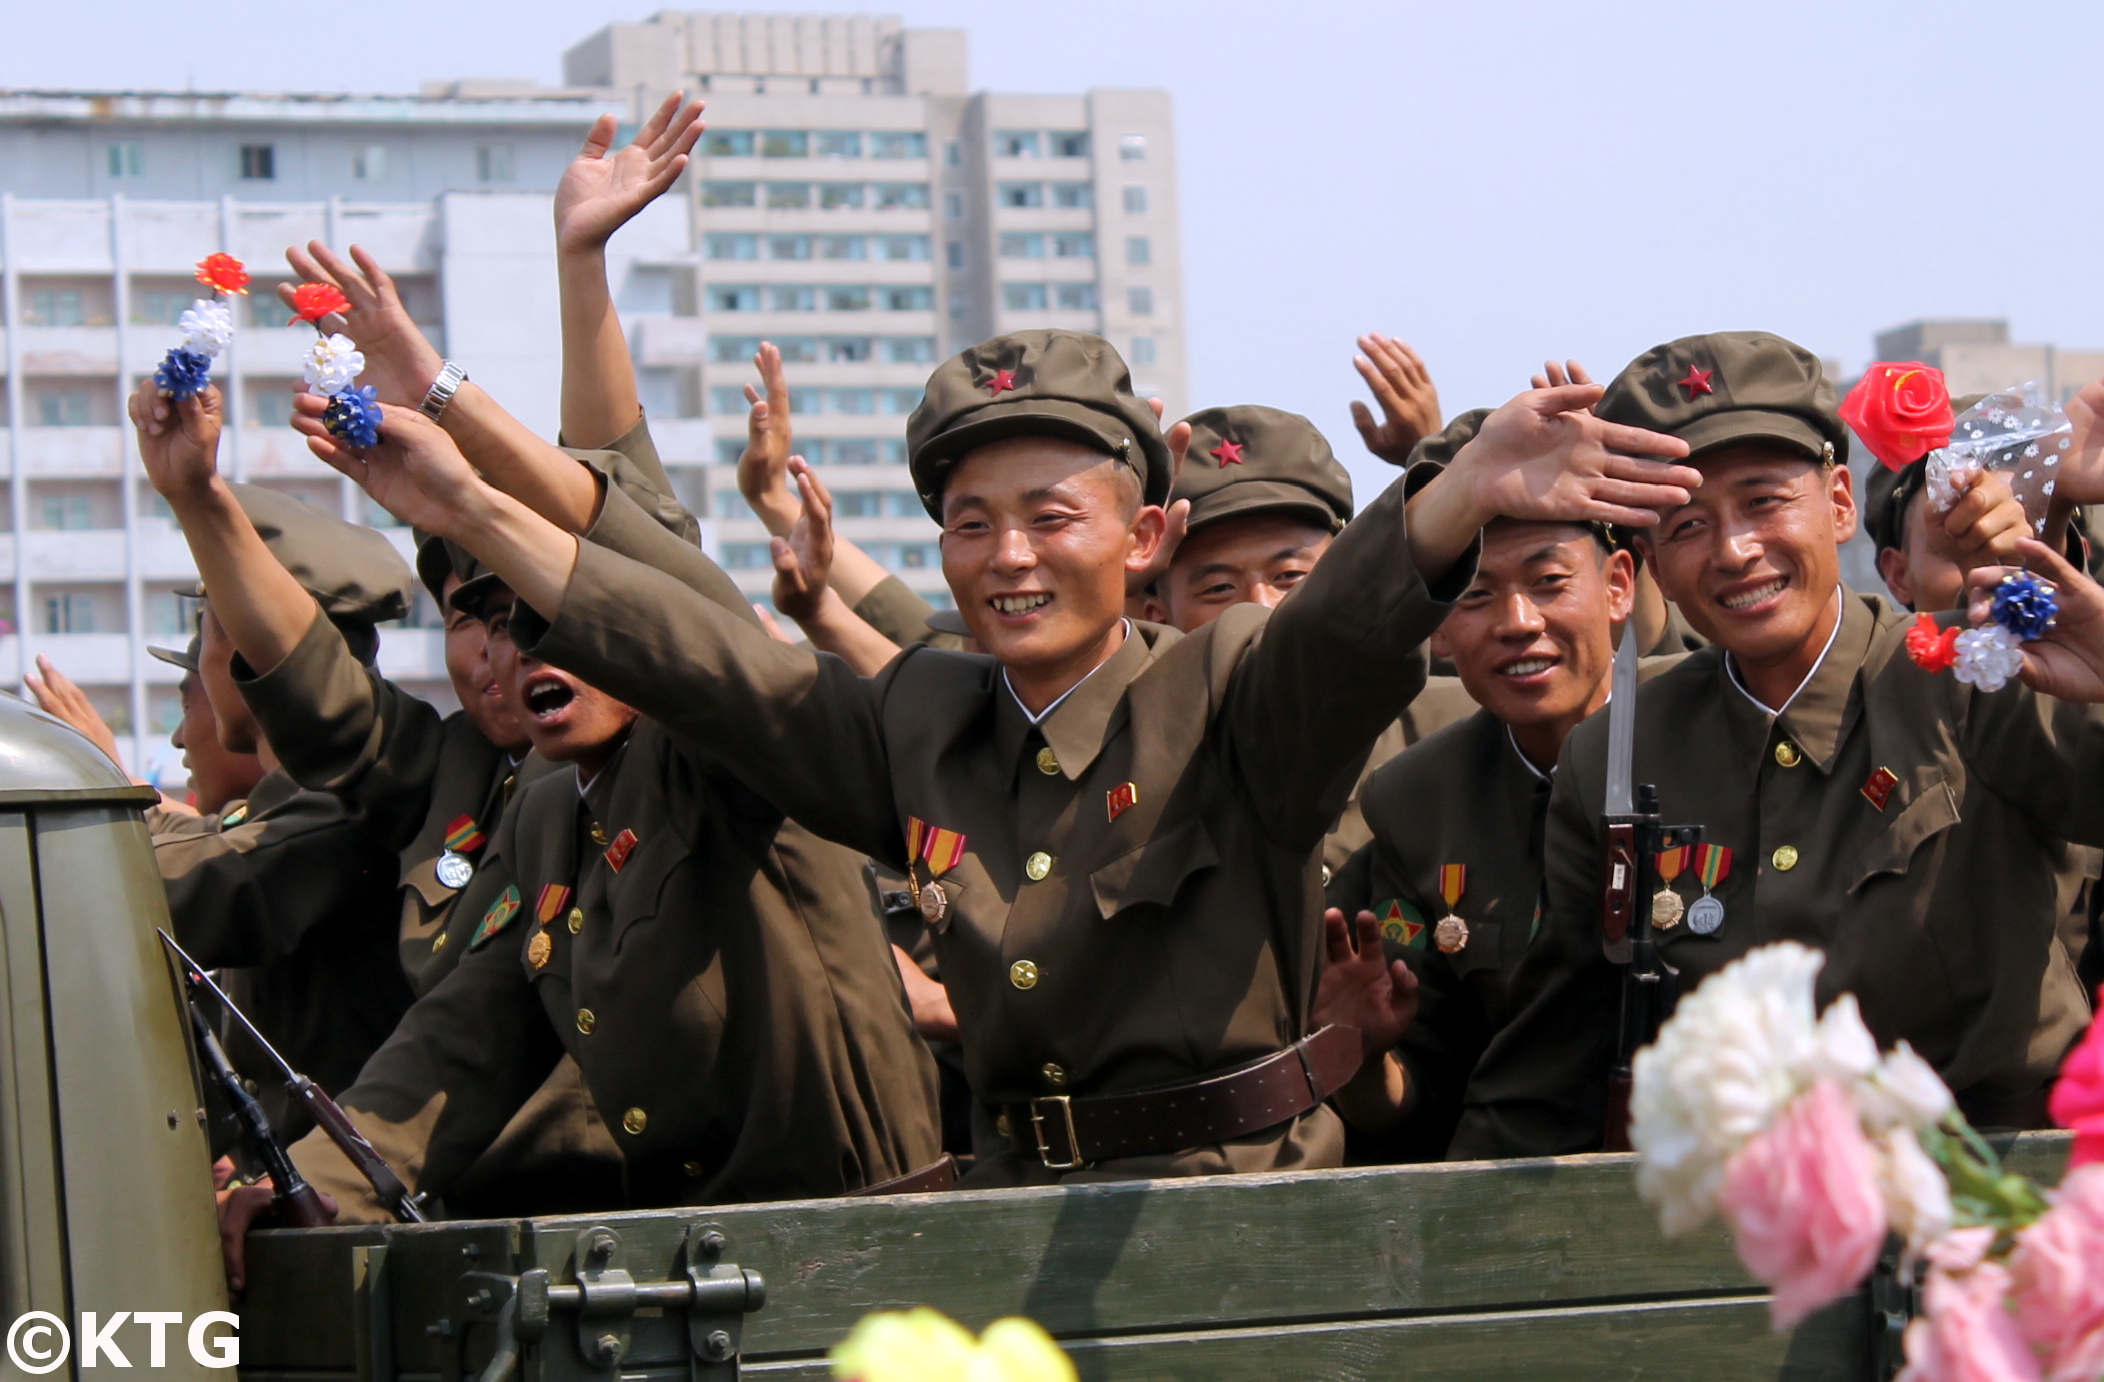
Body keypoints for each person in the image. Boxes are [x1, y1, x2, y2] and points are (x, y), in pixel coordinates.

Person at [309, 325, 1698, 1185]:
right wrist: (463, 506)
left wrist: (1453, 495)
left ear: (1145, 538)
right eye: (972, 524)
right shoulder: (923, 718)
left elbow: (1336, 635)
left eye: (1051, 513)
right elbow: (706, 662)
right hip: (1003, 1216)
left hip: (1234, 1224)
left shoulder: (1226, 685)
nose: (1011, 556)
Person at [1453, 331, 2104, 1159]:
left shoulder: (1973, 673)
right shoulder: (1614, 756)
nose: (1734, 550)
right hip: (1760, 1228)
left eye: (1764, 502)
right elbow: (1551, 1066)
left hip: (1995, 1197)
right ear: (1648, 558)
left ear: (1837, 503)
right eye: (1687, 525)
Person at [1310, 409, 1665, 1160]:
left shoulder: (1707, 731)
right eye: (1475, 595)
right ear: (1438, 629)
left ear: (1619, 586)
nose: (1518, 622)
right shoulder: (1421, 804)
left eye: (1549, 581)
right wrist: (1362, 1056)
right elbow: (1414, 1101)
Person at [129, 381, 417, 1146]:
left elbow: (214, 890)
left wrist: (94, 807)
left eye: (210, 640)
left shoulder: (346, 808)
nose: (184, 733)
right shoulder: (290, 803)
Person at [1141, 404, 1479, 885]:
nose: (1260, 609)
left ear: (1349, 575)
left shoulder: (1460, 733)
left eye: (1291, 578)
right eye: (1218, 588)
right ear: (1159, 616)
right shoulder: (1133, 763)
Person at [1862, 420, 2103, 992]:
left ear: (2074, 556)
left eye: (2027, 537)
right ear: (1898, 574)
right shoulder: (1863, 700)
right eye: (1959, 539)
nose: (1994, 569)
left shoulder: (2086, 700)